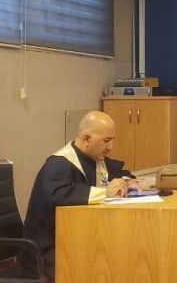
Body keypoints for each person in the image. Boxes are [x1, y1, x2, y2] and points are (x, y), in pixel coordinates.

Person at [18, 111, 140, 281]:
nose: (110, 147)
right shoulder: (58, 164)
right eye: (106, 140)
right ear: (86, 139)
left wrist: (127, 182)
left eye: (112, 140)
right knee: (104, 267)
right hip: (46, 252)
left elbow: (119, 174)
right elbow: (58, 195)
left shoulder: (95, 159)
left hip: (76, 241)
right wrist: (105, 192)